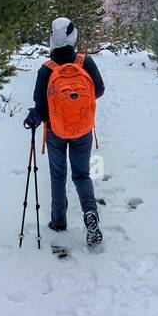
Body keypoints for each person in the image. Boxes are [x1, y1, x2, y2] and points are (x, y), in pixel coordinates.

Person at [24, 17, 104, 249]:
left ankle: (58, 222)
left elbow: (40, 107)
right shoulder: (84, 62)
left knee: (58, 177)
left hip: (55, 131)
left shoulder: (46, 69)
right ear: (72, 36)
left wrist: (36, 116)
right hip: (82, 129)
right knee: (82, 175)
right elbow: (98, 90)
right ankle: (90, 214)